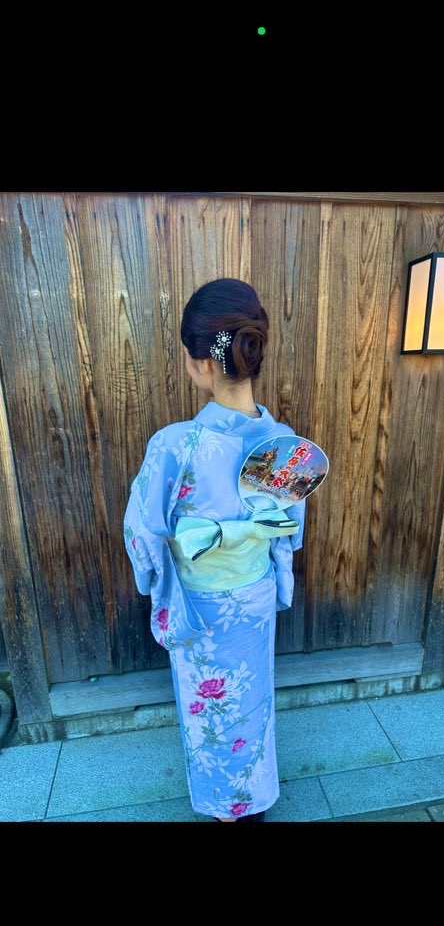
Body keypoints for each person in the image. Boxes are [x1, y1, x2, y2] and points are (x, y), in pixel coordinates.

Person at [124, 278, 306, 822]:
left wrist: (155, 580)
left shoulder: (175, 445)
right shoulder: (284, 444)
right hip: (253, 598)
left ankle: (223, 807)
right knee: (252, 705)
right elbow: (288, 534)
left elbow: (142, 536)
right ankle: (254, 803)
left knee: (210, 711)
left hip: (200, 606)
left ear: (201, 361)